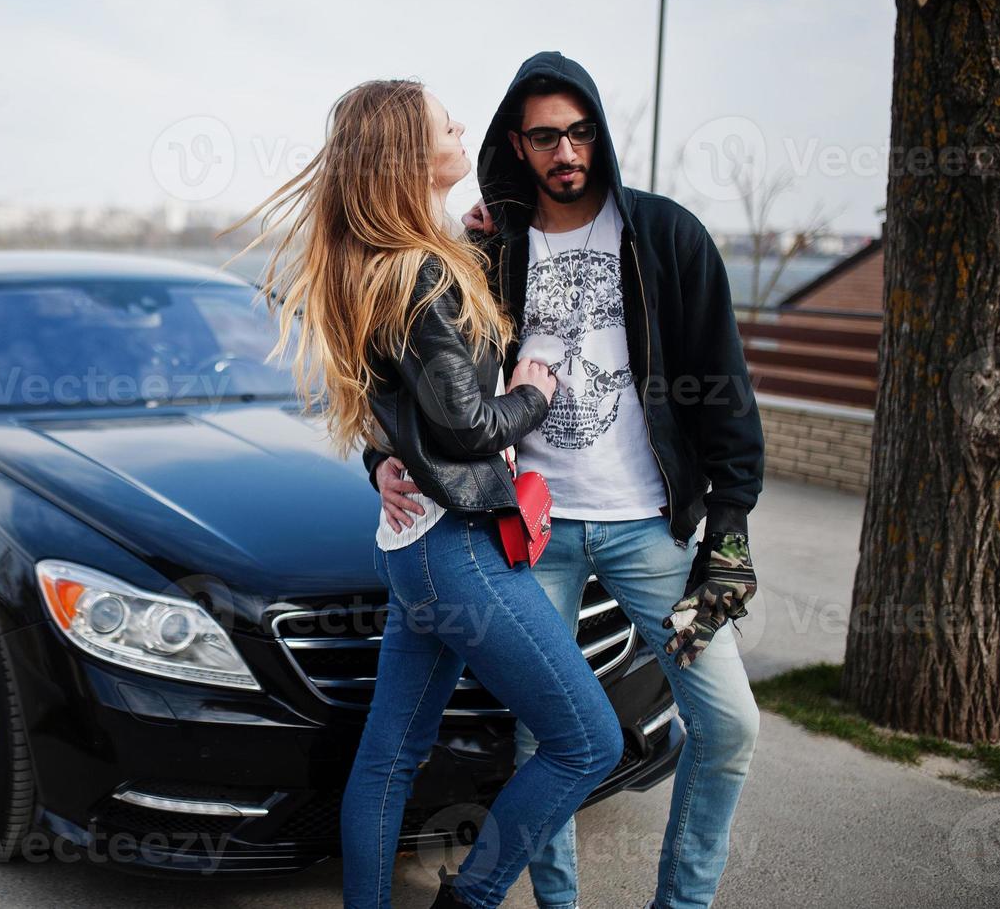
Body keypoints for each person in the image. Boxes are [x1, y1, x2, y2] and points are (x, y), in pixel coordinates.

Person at [363, 52, 764, 909]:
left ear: (599, 136)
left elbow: (723, 387)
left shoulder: (663, 236)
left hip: (648, 530)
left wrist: (727, 527)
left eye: (579, 132)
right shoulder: (483, 245)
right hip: (524, 536)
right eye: (544, 136)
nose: (565, 151)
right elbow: (397, 374)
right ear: (518, 142)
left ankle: (680, 902)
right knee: (546, 742)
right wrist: (378, 459)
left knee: (728, 724)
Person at [233, 78, 624, 909]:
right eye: (448, 124)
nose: (461, 130)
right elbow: (468, 426)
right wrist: (537, 389)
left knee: (389, 754)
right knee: (586, 741)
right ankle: (471, 900)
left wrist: (476, 249)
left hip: (418, 552)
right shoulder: (417, 274)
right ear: (411, 154)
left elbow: (408, 396)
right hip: (460, 553)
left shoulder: (378, 264)